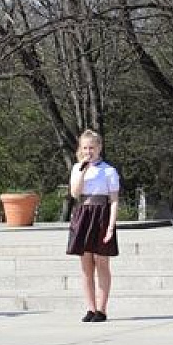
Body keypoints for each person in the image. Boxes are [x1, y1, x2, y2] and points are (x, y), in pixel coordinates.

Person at [67, 129, 119, 322]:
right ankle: (90, 308)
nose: (89, 151)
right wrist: (82, 171)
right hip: (83, 215)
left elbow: (114, 200)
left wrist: (111, 226)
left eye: (92, 147)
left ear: (99, 148)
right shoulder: (77, 168)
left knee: (102, 263)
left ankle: (102, 309)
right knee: (86, 266)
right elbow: (75, 193)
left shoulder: (109, 170)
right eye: (85, 148)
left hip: (102, 215)